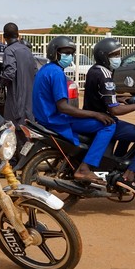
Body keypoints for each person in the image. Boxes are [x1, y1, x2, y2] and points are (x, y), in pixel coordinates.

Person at [32, 36, 116, 184]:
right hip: (55, 120)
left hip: (44, 118)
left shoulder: (45, 69)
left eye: (71, 53)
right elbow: (63, 107)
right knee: (109, 125)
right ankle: (84, 168)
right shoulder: (57, 73)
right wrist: (96, 114)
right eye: (65, 52)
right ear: (54, 52)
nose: (68, 56)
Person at [83, 37, 135, 194]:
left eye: (118, 54)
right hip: (103, 121)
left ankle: (114, 167)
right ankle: (128, 177)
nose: (118, 58)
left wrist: (121, 99)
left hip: (94, 117)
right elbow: (114, 111)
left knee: (127, 133)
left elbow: (102, 96)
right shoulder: (104, 74)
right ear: (104, 56)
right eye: (114, 55)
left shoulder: (95, 70)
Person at [0, 23, 35, 150]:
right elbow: (33, 70)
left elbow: (9, 73)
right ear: (18, 35)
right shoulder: (26, 50)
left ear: (4, 36)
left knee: (14, 130)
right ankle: (25, 159)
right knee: (25, 130)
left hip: (16, 97)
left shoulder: (9, 50)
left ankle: (16, 161)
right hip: (28, 97)